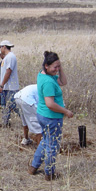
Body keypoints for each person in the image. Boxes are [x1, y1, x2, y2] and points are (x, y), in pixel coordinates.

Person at [28, 51, 73, 181]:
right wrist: (66, 111)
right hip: (51, 117)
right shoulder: (48, 82)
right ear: (46, 66)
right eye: (55, 67)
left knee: (45, 141)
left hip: (43, 115)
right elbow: (50, 103)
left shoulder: (43, 74)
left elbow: (63, 82)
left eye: (58, 66)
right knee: (52, 146)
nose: (57, 69)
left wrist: (59, 68)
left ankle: (33, 167)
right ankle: (49, 173)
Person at [0, 40, 20, 127]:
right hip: (5, 87)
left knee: (15, 106)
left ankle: (28, 121)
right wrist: (0, 85)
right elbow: (2, 74)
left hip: (11, 87)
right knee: (5, 106)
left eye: (0, 47)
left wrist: (2, 85)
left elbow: (8, 72)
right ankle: (5, 123)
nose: (0, 49)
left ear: (4, 47)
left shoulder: (10, 57)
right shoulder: (6, 57)